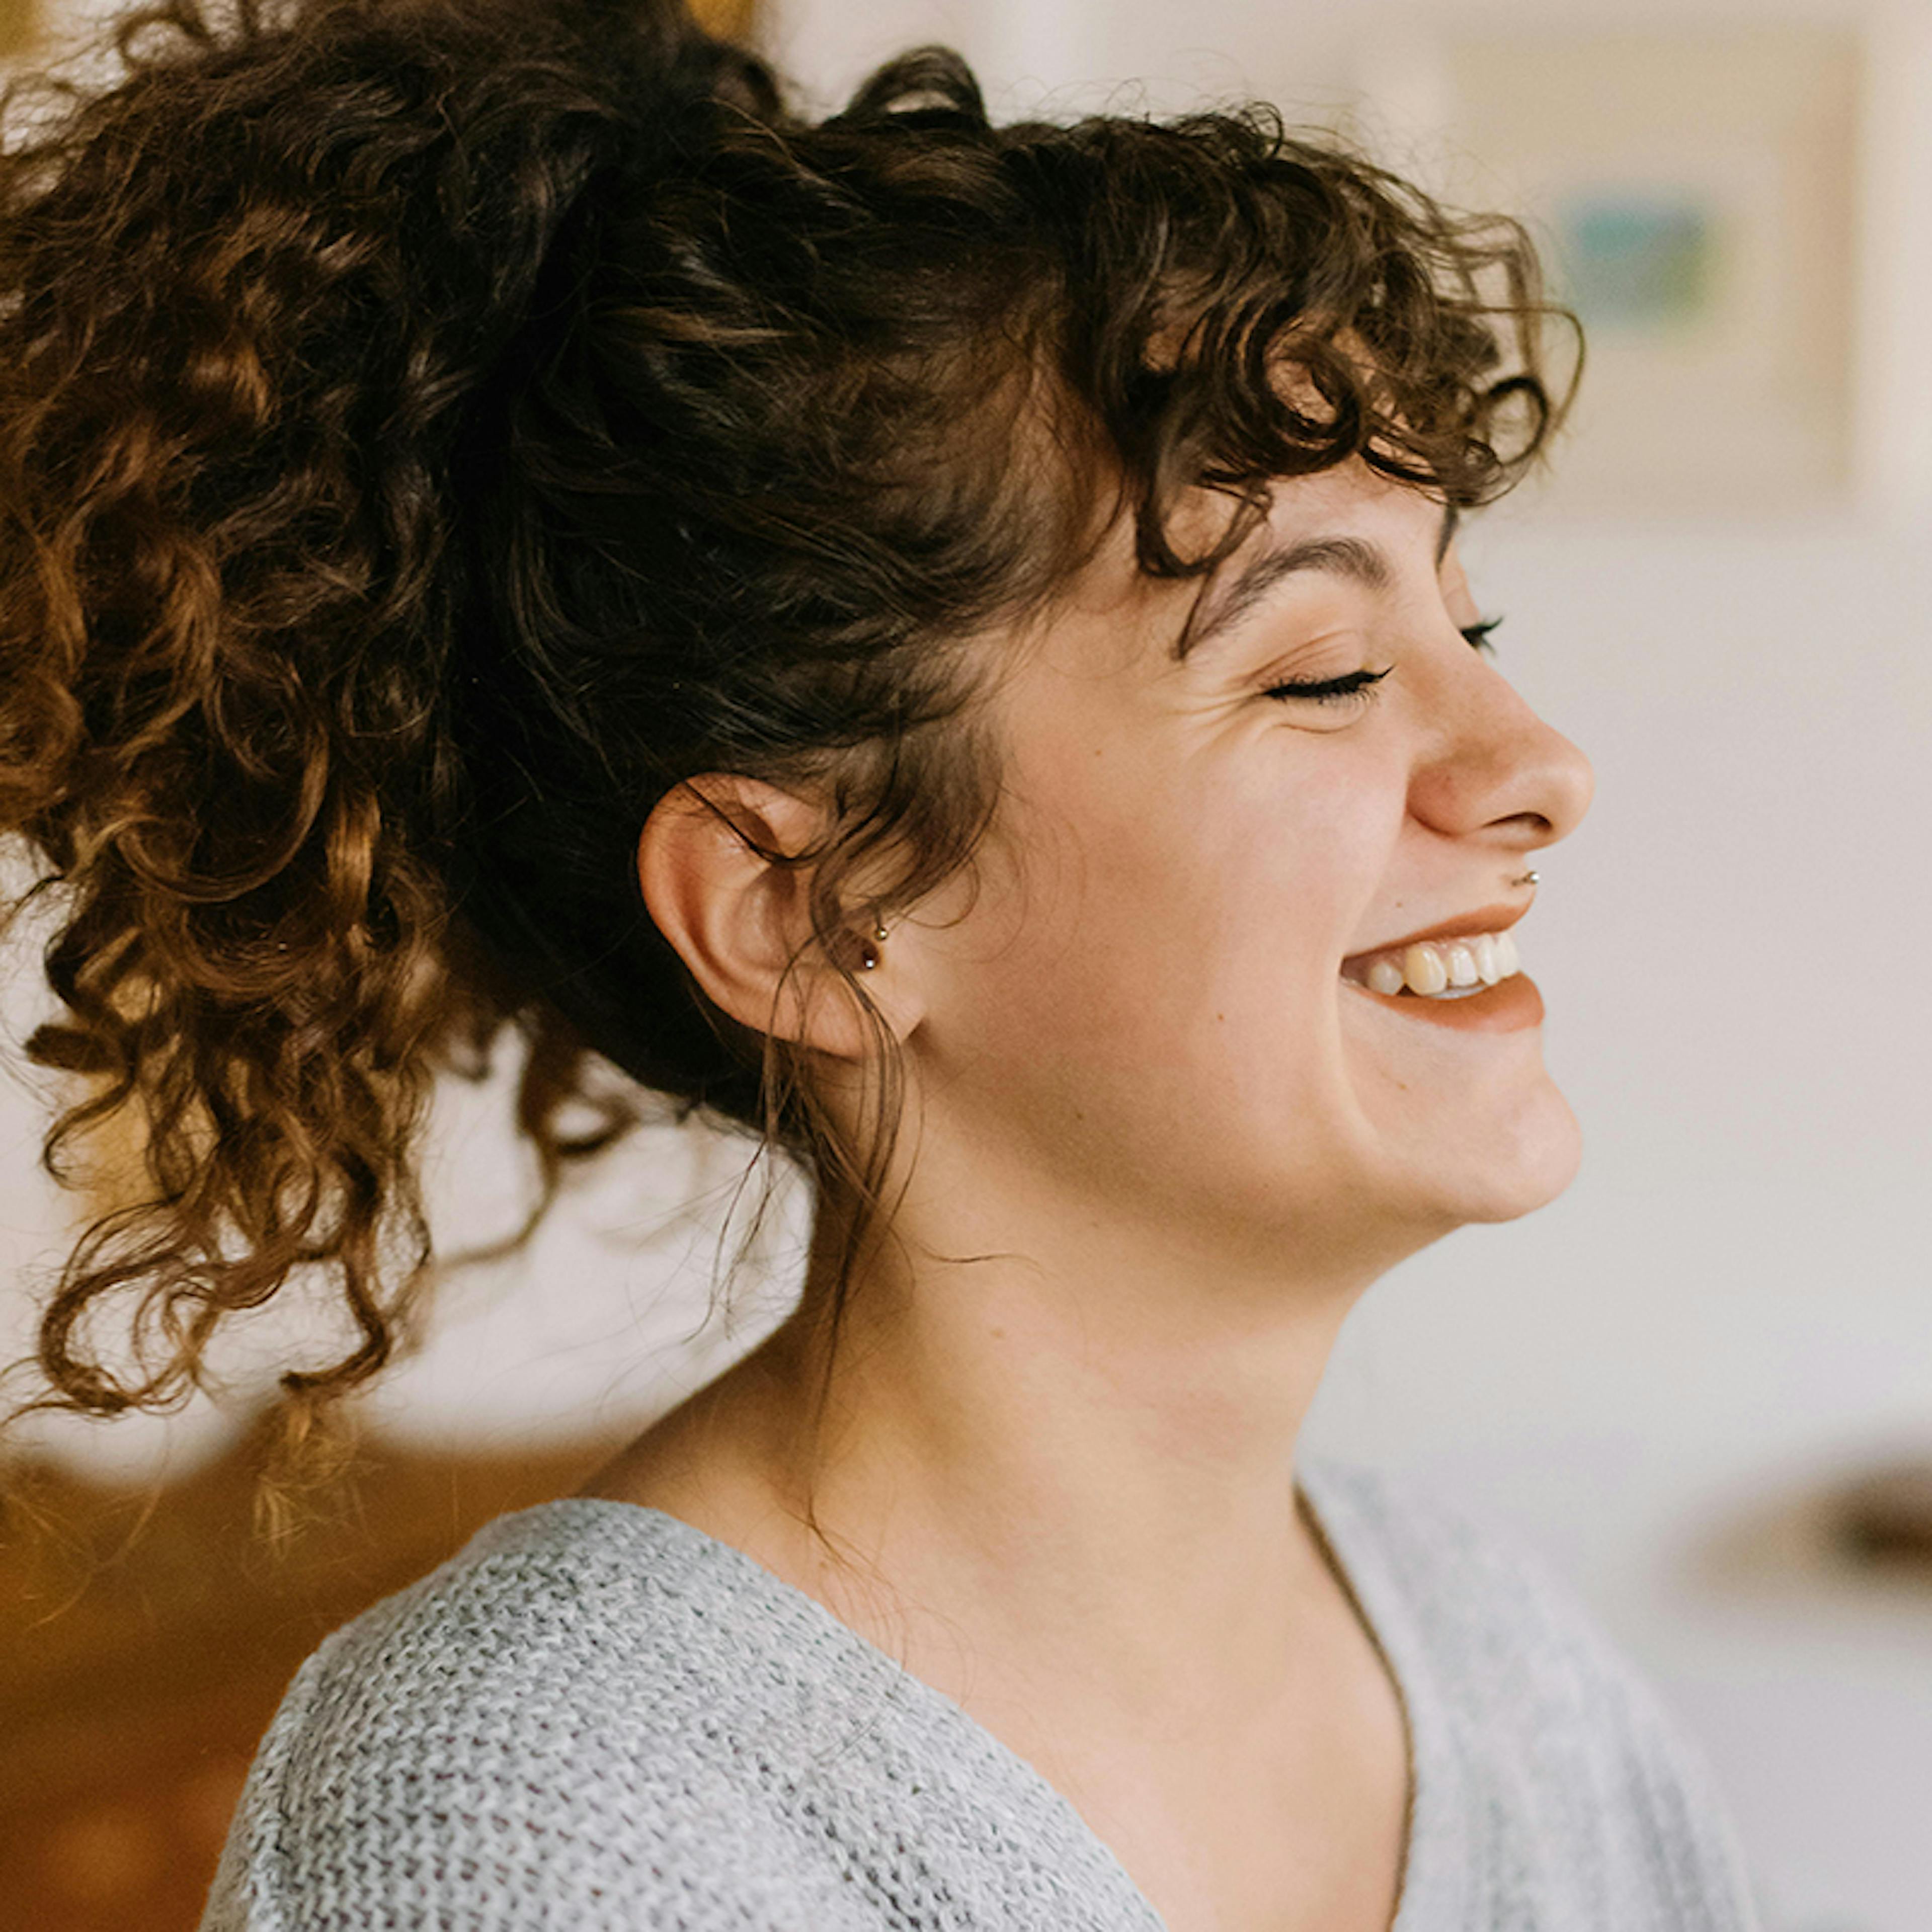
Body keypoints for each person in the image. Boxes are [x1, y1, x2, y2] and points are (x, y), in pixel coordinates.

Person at [0, 0, 1760, 1926]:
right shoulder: (523, 1821)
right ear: (811, 914)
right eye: (1322, 672)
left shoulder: (1502, 1668)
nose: (1541, 768)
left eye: (1468, 620)